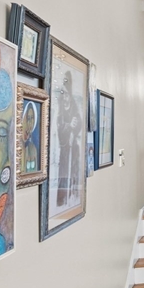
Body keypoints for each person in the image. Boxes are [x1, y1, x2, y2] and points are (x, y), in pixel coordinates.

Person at [56, 73, 84, 208]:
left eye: (67, 94)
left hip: (74, 148)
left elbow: (80, 123)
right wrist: (68, 126)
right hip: (64, 149)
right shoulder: (60, 112)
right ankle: (62, 201)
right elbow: (59, 126)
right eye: (64, 94)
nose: (65, 97)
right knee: (64, 173)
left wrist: (75, 125)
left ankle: (73, 197)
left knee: (73, 173)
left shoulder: (74, 109)